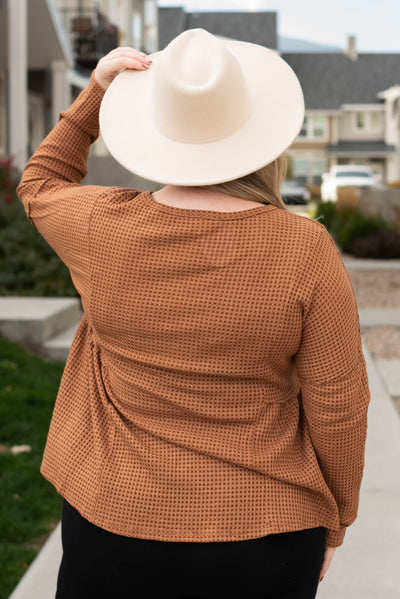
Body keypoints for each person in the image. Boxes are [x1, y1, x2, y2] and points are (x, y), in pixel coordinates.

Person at [17, 29, 370, 599]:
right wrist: (337, 516)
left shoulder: (102, 227)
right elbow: (339, 403)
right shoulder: (304, 249)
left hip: (114, 517)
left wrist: (93, 99)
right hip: (266, 532)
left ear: (161, 132)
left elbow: (39, 183)